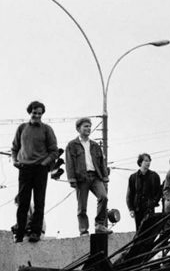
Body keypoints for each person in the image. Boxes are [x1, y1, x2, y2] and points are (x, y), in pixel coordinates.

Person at [11, 101, 58, 243]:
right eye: (34, 113)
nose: (37, 115)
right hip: (24, 168)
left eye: (39, 113)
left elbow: (54, 151)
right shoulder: (22, 128)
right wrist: (15, 160)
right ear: (29, 112)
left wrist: (44, 163)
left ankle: (35, 232)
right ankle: (20, 232)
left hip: (40, 169)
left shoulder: (47, 129)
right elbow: (15, 147)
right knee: (23, 202)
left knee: (39, 201)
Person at [65, 117, 109, 235]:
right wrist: (71, 179)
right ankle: (83, 230)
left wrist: (105, 176)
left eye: (89, 126)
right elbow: (69, 163)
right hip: (81, 178)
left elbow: (101, 162)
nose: (88, 128)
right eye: (85, 126)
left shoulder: (95, 145)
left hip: (95, 177)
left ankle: (99, 225)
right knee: (82, 206)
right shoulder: (72, 145)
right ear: (78, 129)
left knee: (103, 197)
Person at [126, 153, 162, 230]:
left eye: (149, 161)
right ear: (140, 162)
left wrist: (154, 202)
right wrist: (131, 209)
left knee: (149, 230)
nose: (148, 163)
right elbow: (130, 194)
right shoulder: (133, 177)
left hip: (149, 208)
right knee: (139, 230)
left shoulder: (154, 176)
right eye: (146, 161)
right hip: (138, 208)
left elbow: (159, 192)